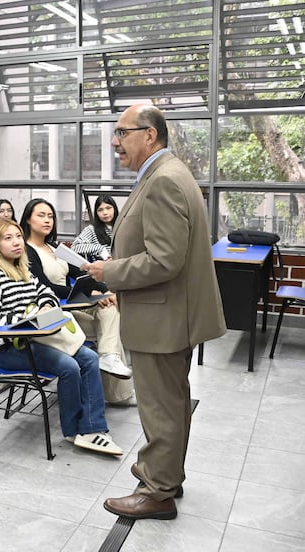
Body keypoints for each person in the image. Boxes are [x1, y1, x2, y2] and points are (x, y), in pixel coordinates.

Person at [84, 104, 225, 520]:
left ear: (150, 135)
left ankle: (157, 491)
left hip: (160, 319)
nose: (115, 142)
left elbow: (165, 260)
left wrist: (110, 271)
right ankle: (165, 474)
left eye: (122, 133)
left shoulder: (163, 181)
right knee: (172, 402)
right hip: (169, 315)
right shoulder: (167, 174)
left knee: (161, 406)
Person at [0, 219, 123, 456]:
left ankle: (93, 429)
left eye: (18, 236)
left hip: (35, 339)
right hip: (6, 349)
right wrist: (25, 316)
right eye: (7, 238)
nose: (16, 242)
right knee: (69, 367)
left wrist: (44, 307)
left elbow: (47, 293)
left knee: (90, 358)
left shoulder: (23, 269)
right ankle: (74, 431)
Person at [19, 199, 135, 404]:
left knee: (109, 310)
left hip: (74, 306)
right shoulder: (26, 252)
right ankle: (119, 395)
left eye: (50, 216)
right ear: (28, 219)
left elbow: (83, 272)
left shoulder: (55, 247)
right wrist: (87, 293)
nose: (48, 220)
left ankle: (109, 358)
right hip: (54, 313)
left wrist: (104, 291)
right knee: (107, 329)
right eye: (41, 215)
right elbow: (46, 287)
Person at [72, 195, 119, 261]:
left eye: (108, 208)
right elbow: (75, 247)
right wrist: (101, 249)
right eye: (100, 210)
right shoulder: (91, 230)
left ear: (115, 209)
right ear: (96, 213)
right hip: (102, 269)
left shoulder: (123, 227)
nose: (105, 213)